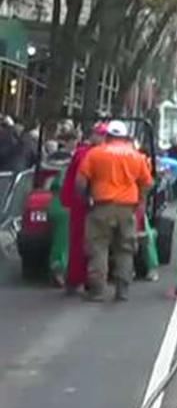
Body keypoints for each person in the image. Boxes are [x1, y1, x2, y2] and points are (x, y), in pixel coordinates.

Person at [76, 120, 153, 302]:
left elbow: (80, 181)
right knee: (125, 249)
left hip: (101, 207)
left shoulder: (95, 153)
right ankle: (122, 289)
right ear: (125, 137)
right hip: (127, 209)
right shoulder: (136, 156)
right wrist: (140, 201)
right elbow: (147, 183)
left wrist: (85, 198)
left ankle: (97, 291)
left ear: (108, 136)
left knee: (98, 248)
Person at [59, 123, 107, 294]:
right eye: (100, 135)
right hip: (85, 203)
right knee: (84, 242)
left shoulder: (86, 153)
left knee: (89, 243)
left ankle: (83, 279)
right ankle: (79, 279)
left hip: (86, 202)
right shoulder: (87, 154)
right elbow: (80, 180)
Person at [47, 128, 81, 288]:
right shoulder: (67, 160)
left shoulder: (62, 159)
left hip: (57, 201)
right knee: (66, 236)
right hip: (66, 203)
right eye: (73, 140)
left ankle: (61, 267)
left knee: (63, 237)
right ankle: (62, 269)